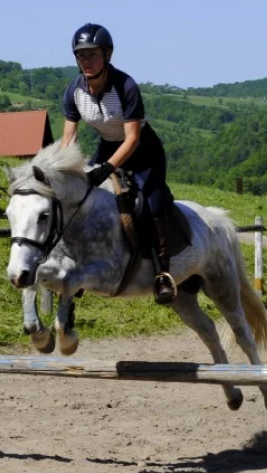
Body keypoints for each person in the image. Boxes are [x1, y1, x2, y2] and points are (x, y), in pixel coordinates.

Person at [60, 22, 176, 304]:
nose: (86, 61)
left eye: (93, 54)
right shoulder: (74, 91)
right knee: (84, 198)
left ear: (107, 55)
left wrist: (107, 168)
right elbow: (67, 139)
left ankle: (163, 274)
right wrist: (63, 173)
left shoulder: (126, 87)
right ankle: (80, 262)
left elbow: (133, 138)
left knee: (152, 202)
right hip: (108, 146)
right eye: (81, 56)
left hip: (144, 151)